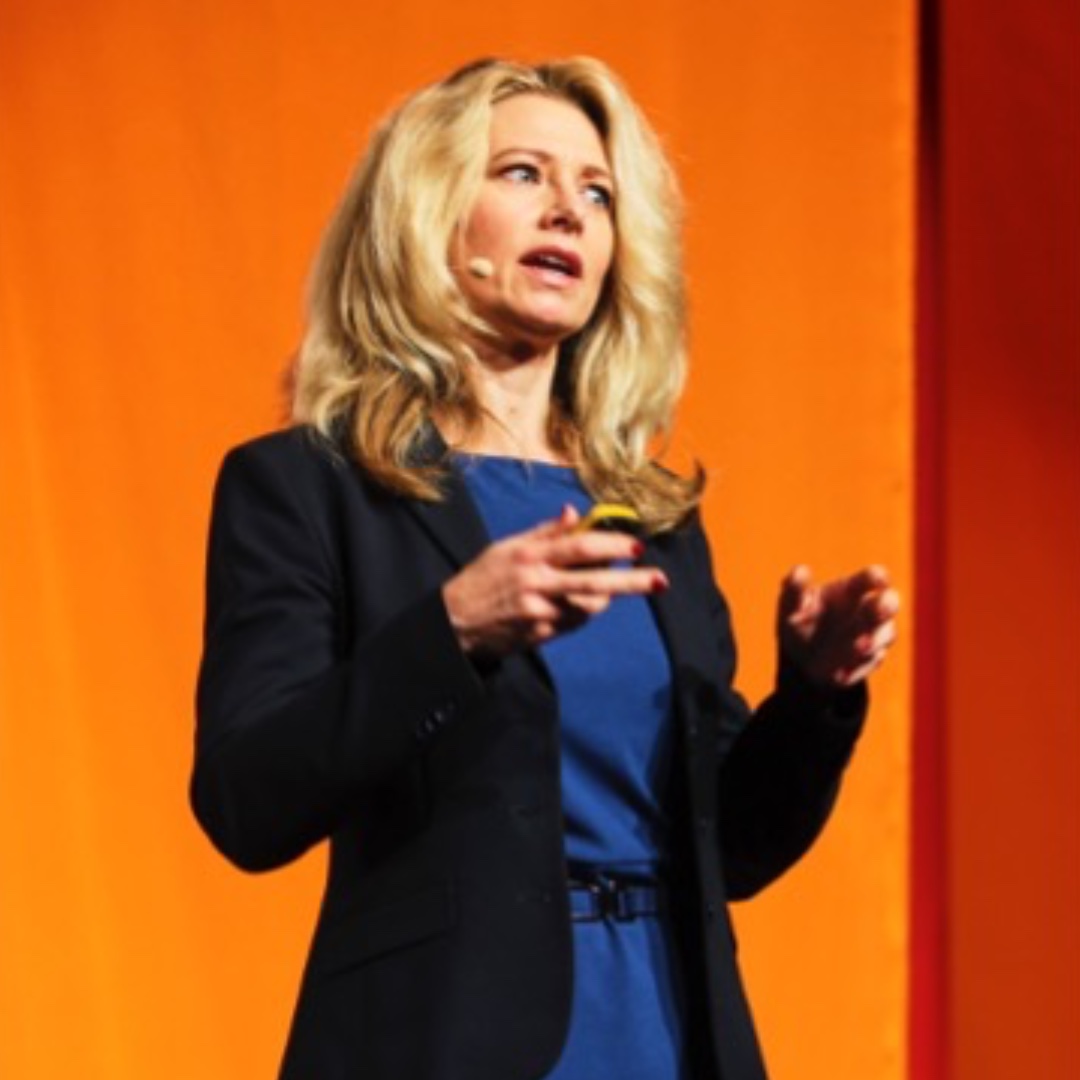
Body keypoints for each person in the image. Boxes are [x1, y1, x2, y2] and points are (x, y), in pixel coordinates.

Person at [191, 57, 899, 1080]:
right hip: (443, 1042)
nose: (569, 209)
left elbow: (734, 850)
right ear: (427, 212)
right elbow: (245, 803)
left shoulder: (651, 515)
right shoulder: (307, 487)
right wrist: (452, 631)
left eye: (597, 193)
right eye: (522, 173)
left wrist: (813, 697)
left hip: (665, 1031)